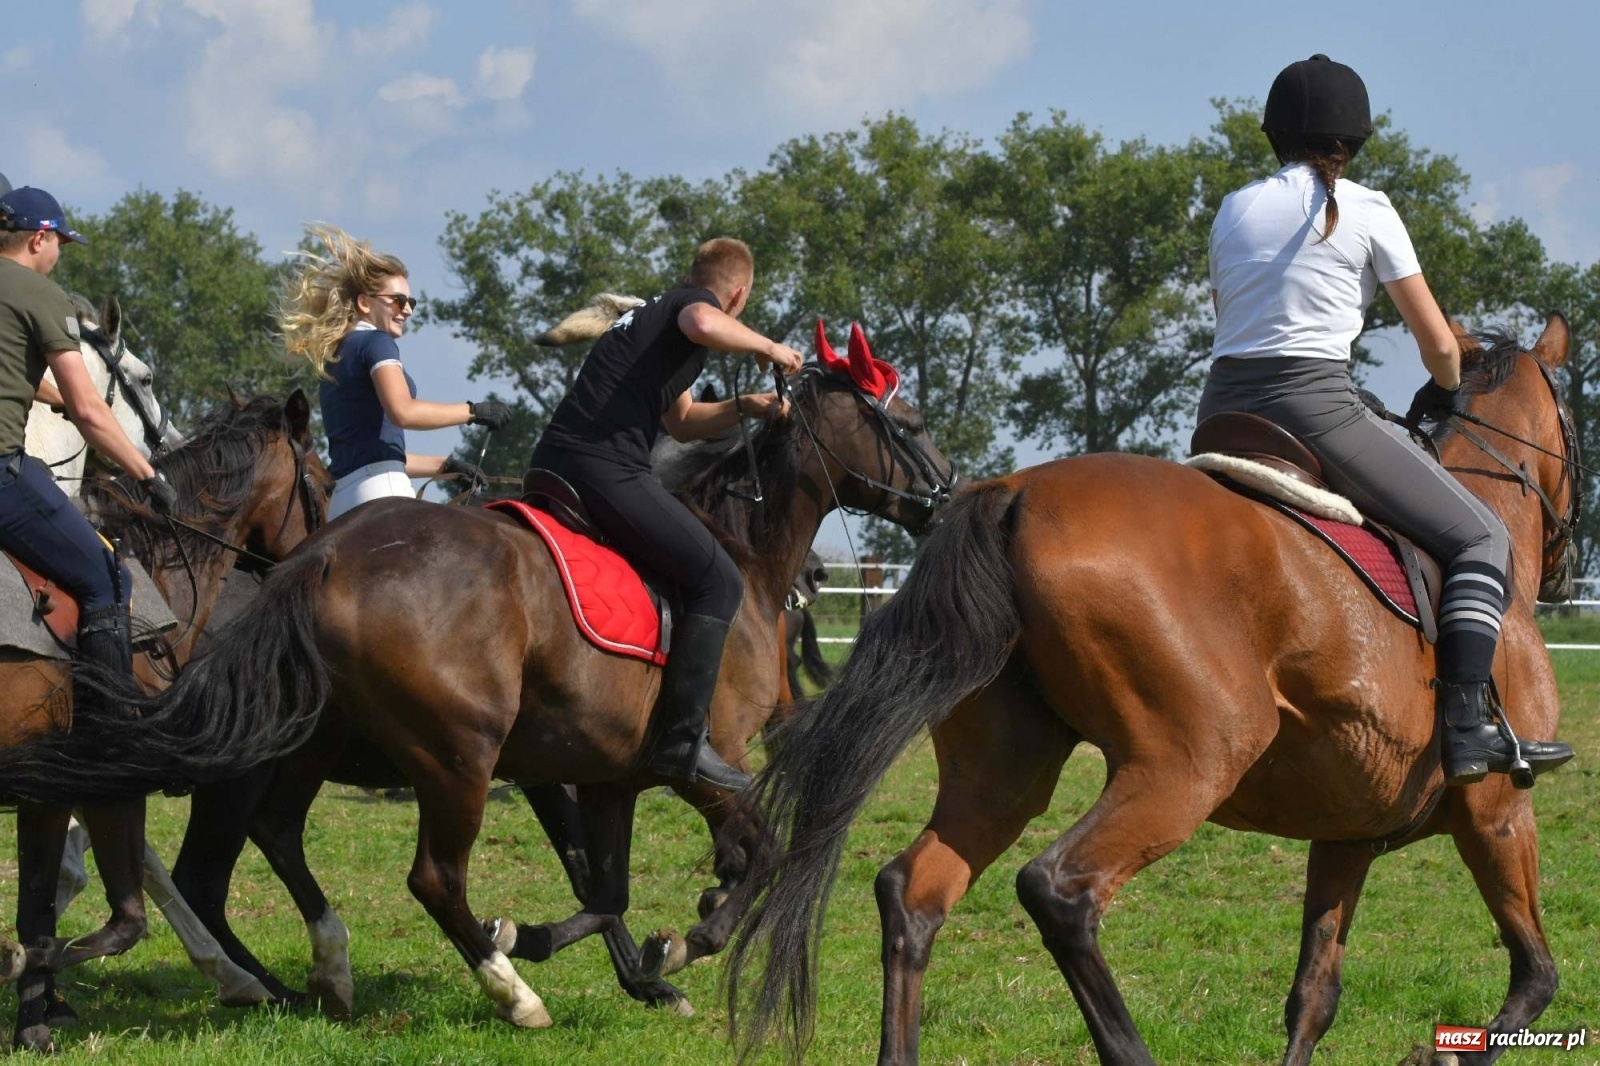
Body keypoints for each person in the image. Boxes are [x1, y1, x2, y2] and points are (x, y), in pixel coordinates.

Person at [1199, 55, 1572, 785]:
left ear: (1273, 134)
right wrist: (1446, 379)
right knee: (1480, 534)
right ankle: (1468, 727)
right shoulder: (1367, 209)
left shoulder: (1232, 208)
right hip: (1315, 409)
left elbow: (1232, 319)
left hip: (1221, 410)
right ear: (1355, 138)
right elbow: (1438, 346)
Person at [529, 237, 803, 791]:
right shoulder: (690, 307)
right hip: (604, 468)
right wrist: (769, 346)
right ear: (740, 294)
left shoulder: (653, 320)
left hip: (555, 461)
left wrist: (746, 407)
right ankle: (680, 742)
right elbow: (705, 322)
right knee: (719, 581)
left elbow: (680, 423)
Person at [0, 185, 177, 686]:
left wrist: (49, 397)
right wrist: (147, 475)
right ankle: (110, 737)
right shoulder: (41, 294)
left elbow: (14, 372)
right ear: (40, 239)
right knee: (107, 577)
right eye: (60, 245)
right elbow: (90, 410)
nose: (59, 257)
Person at [278, 225, 512, 521]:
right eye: (398, 301)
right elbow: (404, 412)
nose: (408, 310)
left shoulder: (335, 358)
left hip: (341, 505)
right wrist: (474, 411)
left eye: (411, 302)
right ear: (365, 303)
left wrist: (445, 465)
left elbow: (373, 454)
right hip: (382, 494)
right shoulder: (377, 343)